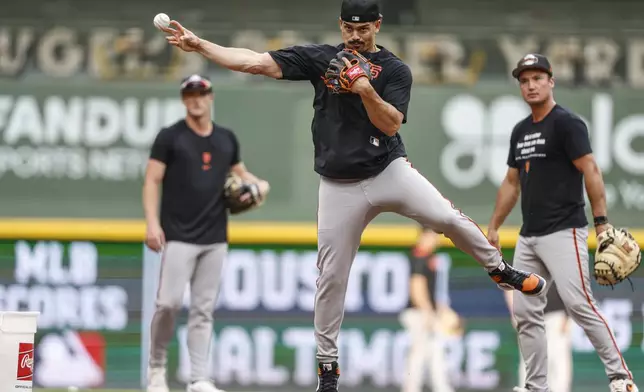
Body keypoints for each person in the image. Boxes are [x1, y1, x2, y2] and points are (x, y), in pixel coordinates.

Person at [159, 2, 547, 391]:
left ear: (377, 25)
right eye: (349, 27)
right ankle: (328, 370)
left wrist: (363, 87)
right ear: (341, 26)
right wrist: (201, 46)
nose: (356, 35)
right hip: (338, 184)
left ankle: (499, 269)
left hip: (386, 170)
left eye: (363, 28)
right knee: (330, 277)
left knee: (445, 217)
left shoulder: (395, 70)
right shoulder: (322, 58)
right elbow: (254, 62)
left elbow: (391, 122)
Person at [486, 53, 638, 392]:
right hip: (529, 237)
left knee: (579, 303)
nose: (530, 85)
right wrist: (494, 226)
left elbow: (591, 170)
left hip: (564, 230)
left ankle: (620, 376)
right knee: (525, 313)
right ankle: (536, 386)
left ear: (551, 81)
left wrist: (601, 224)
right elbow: (512, 182)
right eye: (524, 80)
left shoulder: (567, 123)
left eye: (537, 78)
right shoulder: (521, 131)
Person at [142, 74, 270, 392]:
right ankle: (156, 368)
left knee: (202, 309)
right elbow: (151, 180)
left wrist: (259, 185)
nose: (196, 99)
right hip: (179, 234)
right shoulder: (170, 137)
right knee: (168, 304)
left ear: (211, 97)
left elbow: (241, 174)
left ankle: (198, 378)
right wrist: (152, 223)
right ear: (183, 99)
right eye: (190, 94)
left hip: (214, 236)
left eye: (201, 93)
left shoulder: (225, 139)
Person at [399, 228, 460, 392]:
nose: (436, 241)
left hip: (426, 312)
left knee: (435, 352)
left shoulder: (427, 257)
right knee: (419, 354)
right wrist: (427, 312)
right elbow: (416, 288)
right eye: (433, 237)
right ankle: (411, 388)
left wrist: (441, 310)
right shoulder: (419, 257)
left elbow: (432, 292)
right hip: (419, 313)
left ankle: (441, 387)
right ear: (424, 236)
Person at [504, 285, 572, 392]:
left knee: (557, 359)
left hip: (557, 314)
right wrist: (514, 313)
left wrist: (569, 314)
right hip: (529, 315)